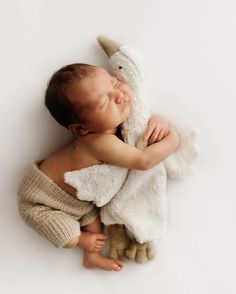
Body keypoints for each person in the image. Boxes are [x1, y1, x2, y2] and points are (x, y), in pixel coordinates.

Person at [18, 63, 179, 272]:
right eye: (105, 101)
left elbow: (142, 123)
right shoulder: (99, 142)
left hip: (77, 203)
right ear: (80, 129)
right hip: (40, 201)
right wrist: (172, 137)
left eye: (114, 83)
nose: (119, 95)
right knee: (67, 234)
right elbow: (143, 161)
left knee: (96, 227)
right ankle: (82, 243)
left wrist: (160, 121)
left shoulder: (113, 123)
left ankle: (91, 257)